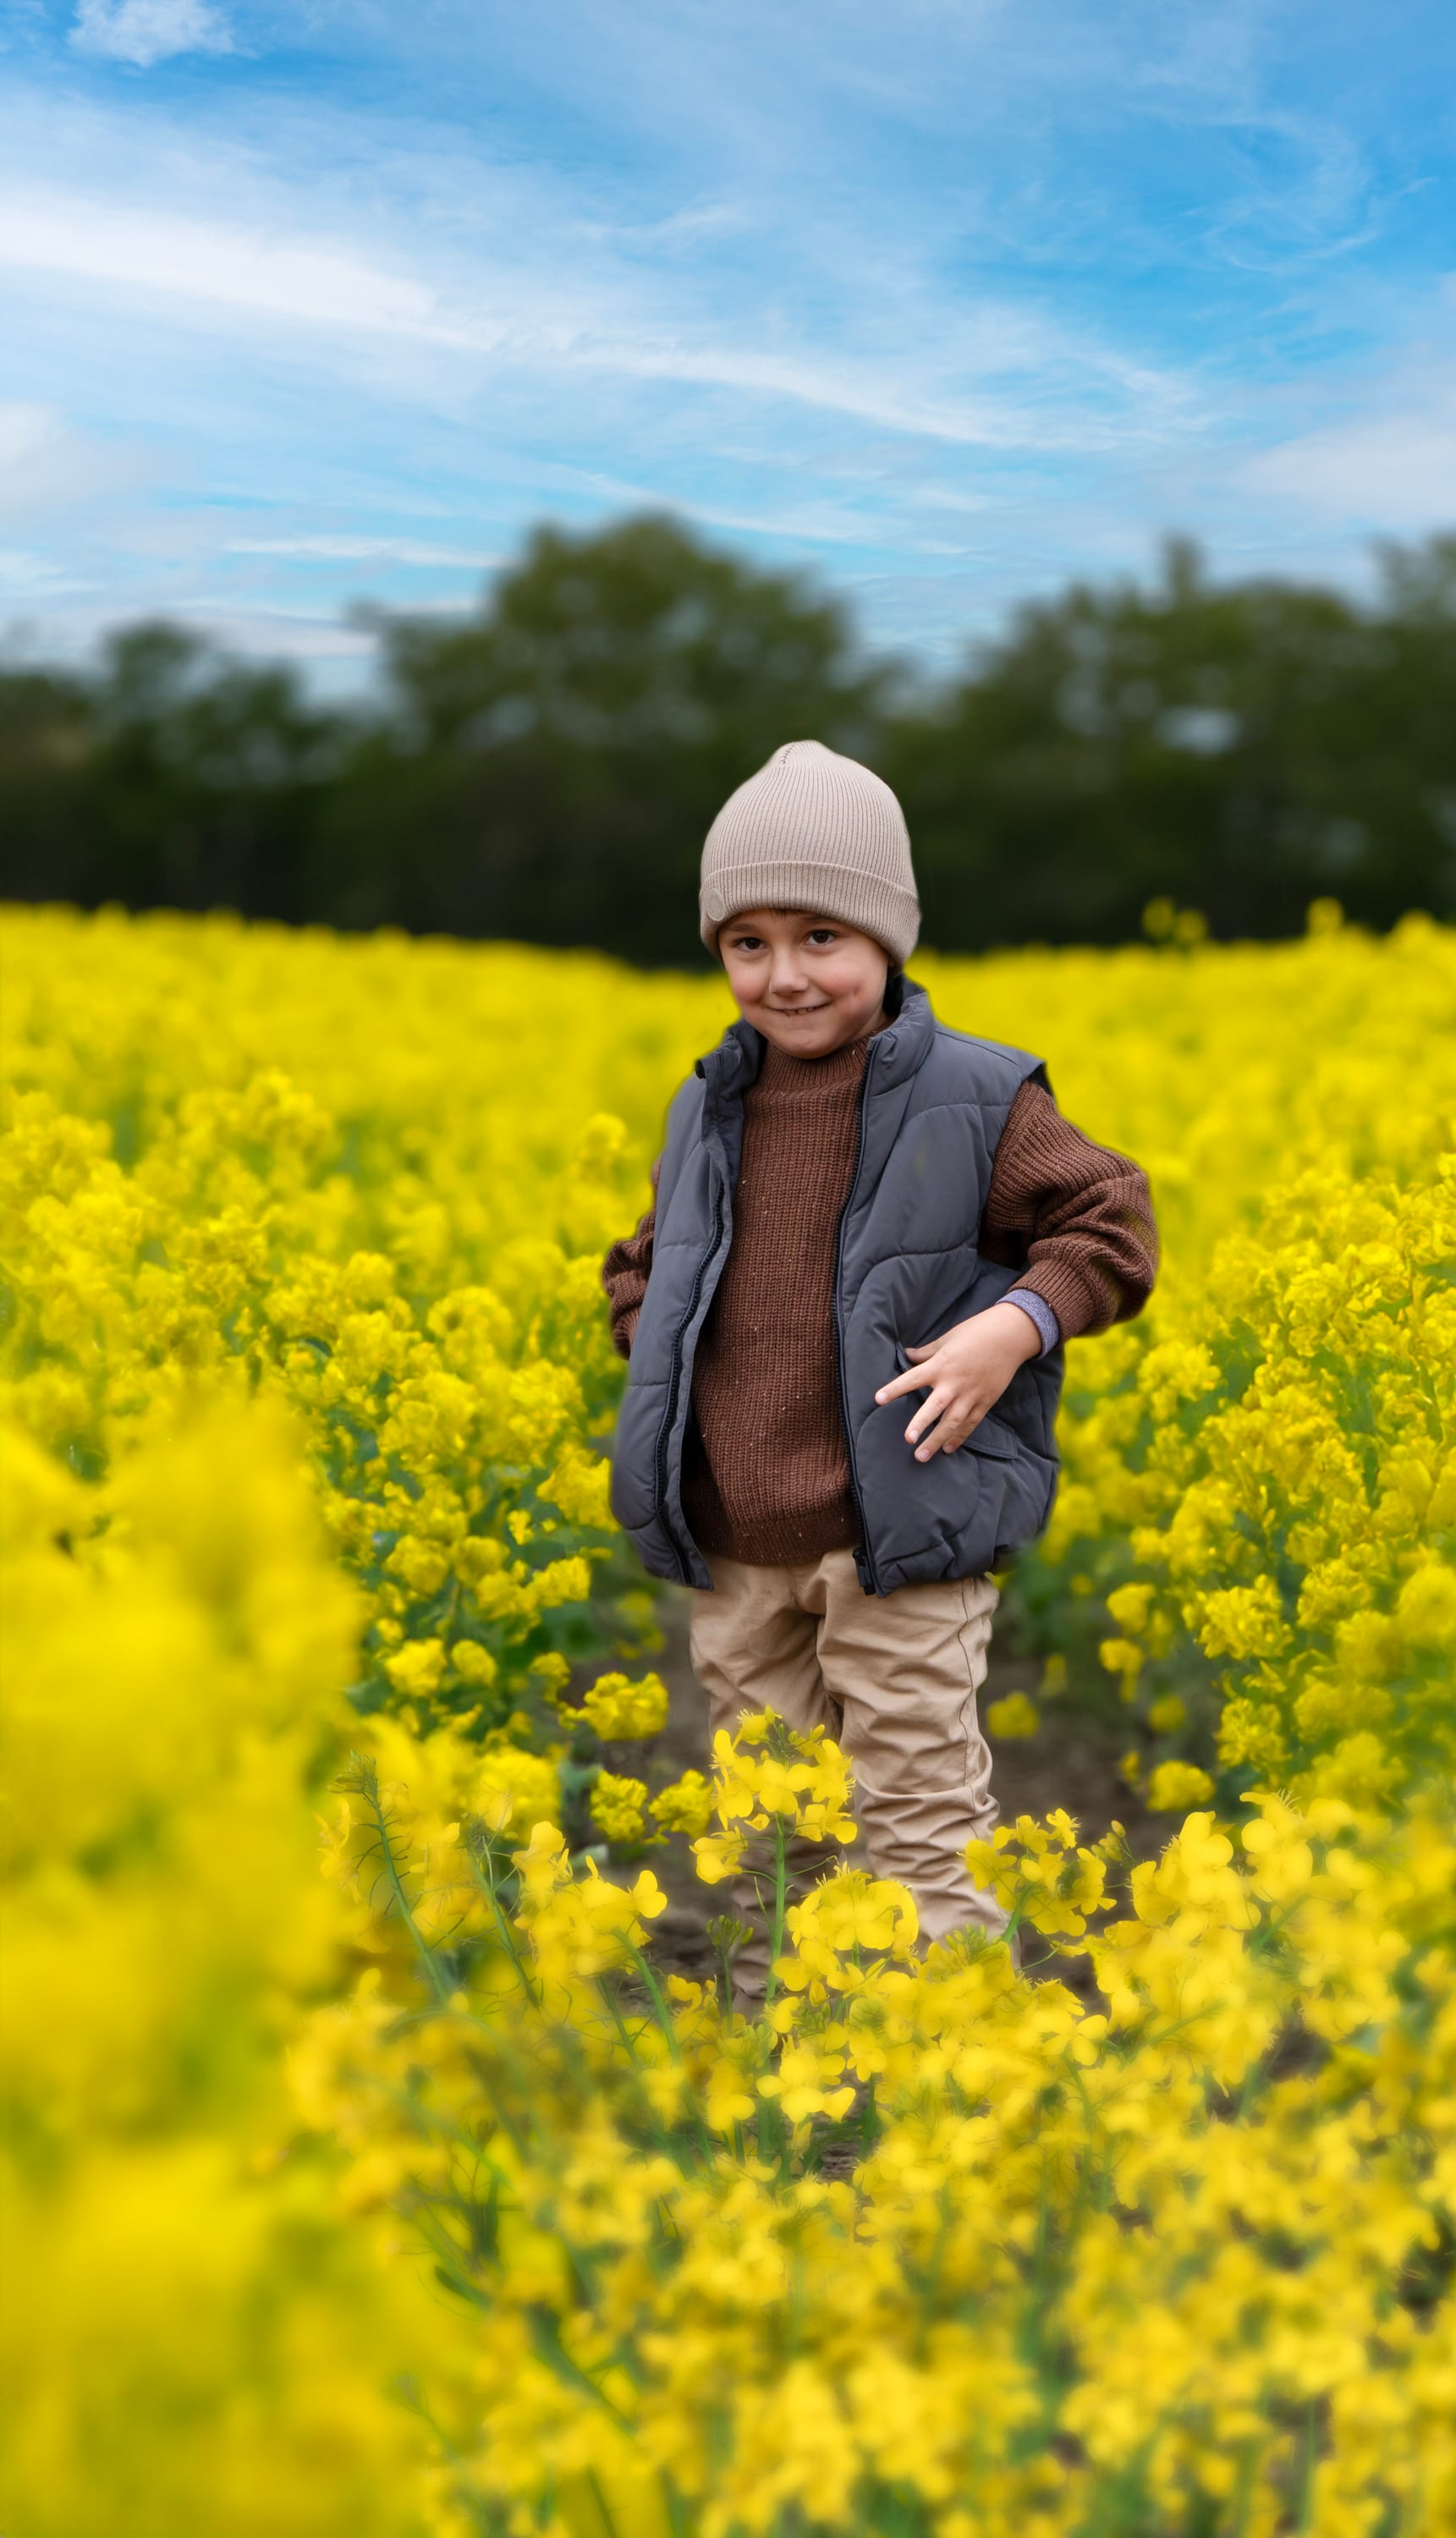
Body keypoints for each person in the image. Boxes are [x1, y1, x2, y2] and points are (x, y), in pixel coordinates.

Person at [602, 739, 1157, 2000]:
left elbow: (1109, 1225)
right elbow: (644, 1262)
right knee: (770, 1834)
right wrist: (663, 1355)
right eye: (747, 942)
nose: (784, 975)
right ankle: (788, 2099)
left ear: (889, 939)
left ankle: (946, 2105)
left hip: (900, 1532)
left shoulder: (977, 1094)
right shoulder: (708, 1105)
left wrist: (1013, 1325)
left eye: (820, 938)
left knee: (915, 1824)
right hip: (739, 1538)